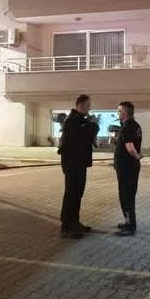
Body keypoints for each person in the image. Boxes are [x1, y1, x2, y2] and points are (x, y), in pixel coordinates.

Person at [57, 94, 98, 238]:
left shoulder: (80, 120)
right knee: (72, 193)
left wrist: (90, 124)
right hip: (72, 164)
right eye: (88, 105)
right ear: (81, 105)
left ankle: (74, 222)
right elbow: (84, 135)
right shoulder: (72, 120)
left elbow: (86, 136)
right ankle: (67, 227)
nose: (90, 108)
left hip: (79, 163)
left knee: (77, 193)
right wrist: (93, 124)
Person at [112, 100, 142, 236]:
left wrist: (136, 156)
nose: (117, 113)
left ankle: (130, 226)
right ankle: (128, 221)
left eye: (119, 111)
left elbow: (130, 147)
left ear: (124, 112)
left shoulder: (128, 126)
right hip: (128, 167)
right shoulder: (134, 125)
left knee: (126, 196)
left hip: (127, 168)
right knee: (127, 195)